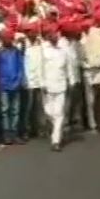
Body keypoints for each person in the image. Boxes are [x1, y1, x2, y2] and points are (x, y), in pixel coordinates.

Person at [0, 29, 25, 145]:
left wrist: (19, 80)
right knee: (5, 110)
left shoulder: (16, 52)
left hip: (15, 84)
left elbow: (20, 67)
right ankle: (6, 134)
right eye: (5, 38)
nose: (7, 40)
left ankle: (14, 133)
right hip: (4, 85)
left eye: (9, 38)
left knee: (15, 110)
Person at [41, 24, 71, 152]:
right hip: (47, 85)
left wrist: (71, 81)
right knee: (49, 112)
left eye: (56, 34)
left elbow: (68, 68)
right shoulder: (42, 49)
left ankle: (56, 140)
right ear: (47, 36)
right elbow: (40, 68)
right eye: (52, 34)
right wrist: (42, 83)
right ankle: (55, 129)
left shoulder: (63, 50)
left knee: (59, 113)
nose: (55, 36)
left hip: (61, 85)